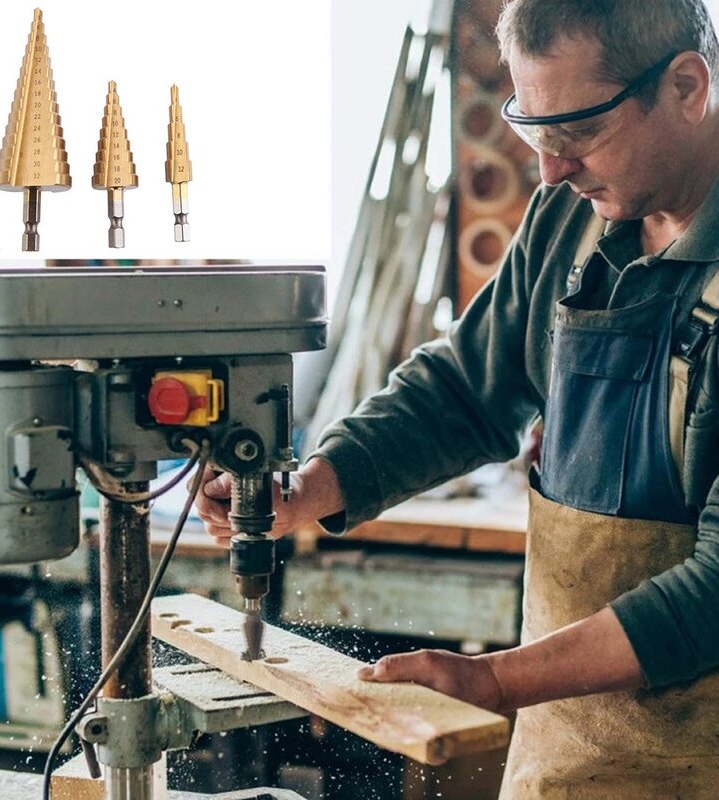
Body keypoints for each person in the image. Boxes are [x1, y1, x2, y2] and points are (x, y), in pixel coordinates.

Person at [196, 0, 719, 796]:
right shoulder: (570, 221)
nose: (549, 171)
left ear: (686, 85)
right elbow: (466, 390)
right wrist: (308, 491)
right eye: (534, 133)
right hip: (568, 756)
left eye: (575, 132)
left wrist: (500, 681)